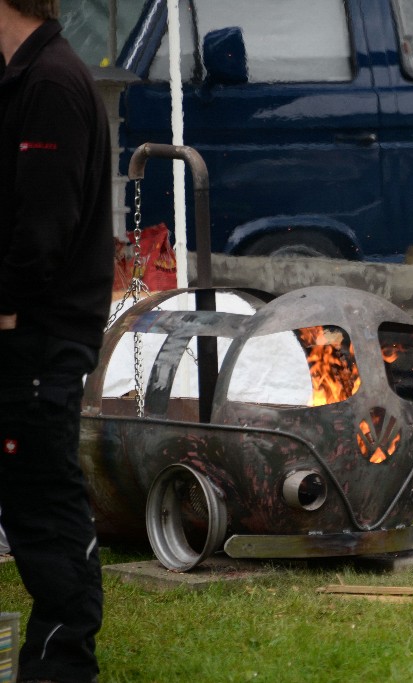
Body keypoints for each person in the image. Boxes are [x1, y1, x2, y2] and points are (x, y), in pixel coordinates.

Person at [0, 0, 113, 679]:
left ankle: (63, 659)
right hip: (24, 337)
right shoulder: (22, 79)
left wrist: (7, 307)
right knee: (29, 498)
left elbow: (43, 227)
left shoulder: (52, 84)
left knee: (44, 505)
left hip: (40, 341)